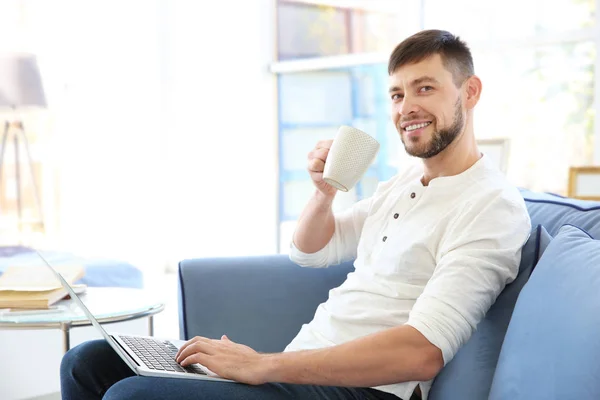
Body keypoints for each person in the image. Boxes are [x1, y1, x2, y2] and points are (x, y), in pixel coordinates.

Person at [60, 29, 531, 400]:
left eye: (424, 88)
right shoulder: (405, 183)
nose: (407, 107)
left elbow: (423, 352)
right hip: (298, 374)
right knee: (86, 362)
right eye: (396, 94)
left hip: (364, 392)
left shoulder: (491, 207)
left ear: (469, 92)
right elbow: (311, 251)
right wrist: (324, 193)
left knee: (132, 394)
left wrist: (261, 365)